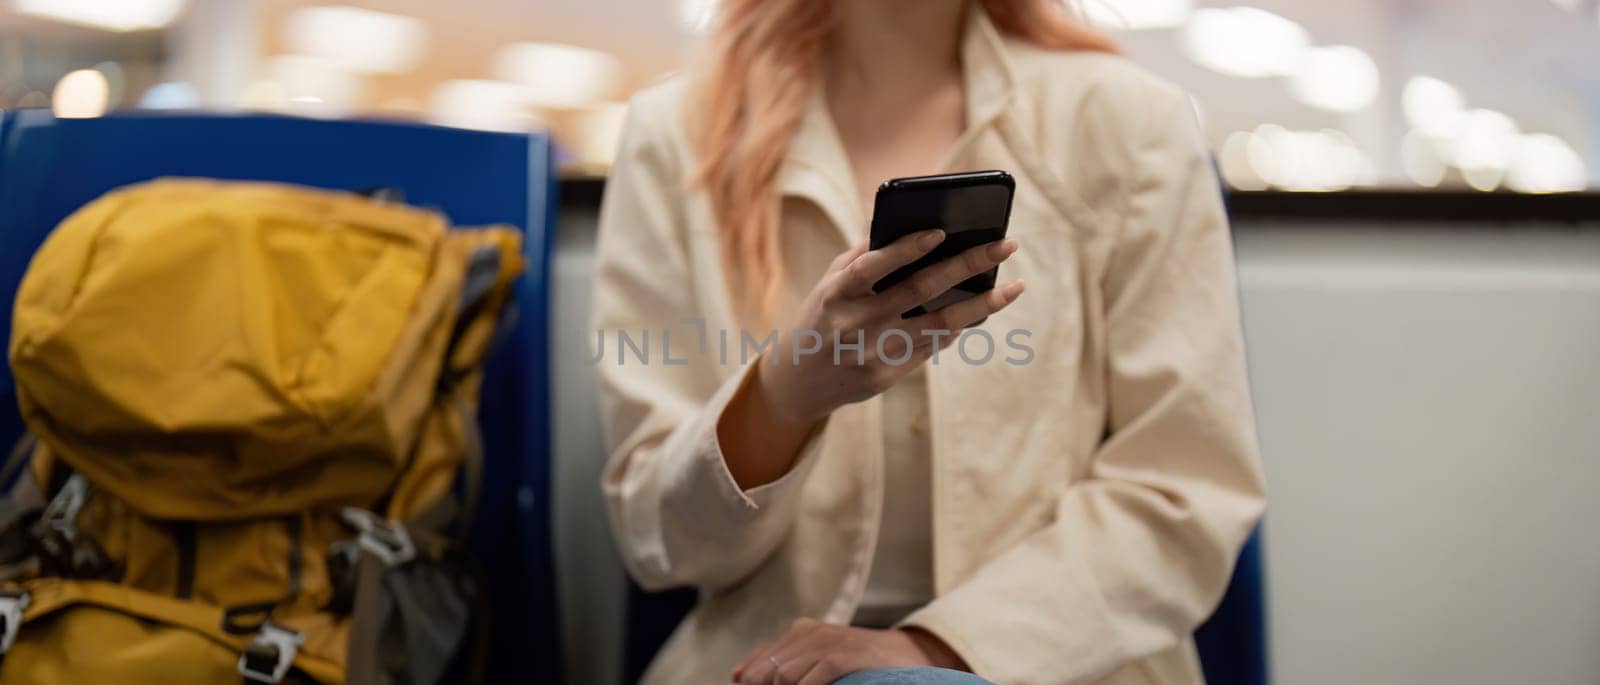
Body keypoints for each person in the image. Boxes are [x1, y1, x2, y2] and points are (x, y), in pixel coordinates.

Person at [590, 0, 1266, 683]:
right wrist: (785, 393)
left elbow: (1182, 495)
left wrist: (935, 648)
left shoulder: (1129, 122)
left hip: (1067, 664)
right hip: (767, 666)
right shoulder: (675, 136)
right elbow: (660, 542)